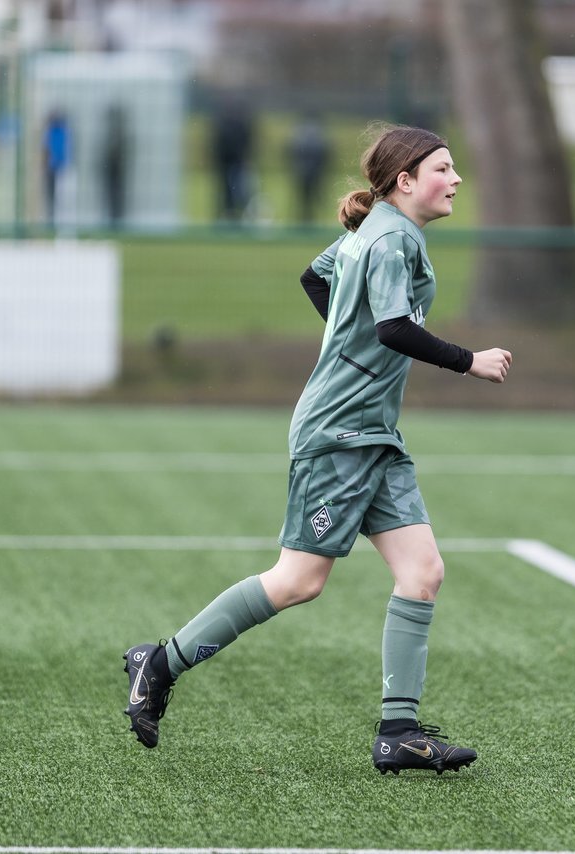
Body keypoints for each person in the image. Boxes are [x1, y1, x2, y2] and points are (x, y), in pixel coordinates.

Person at [123, 124, 513, 772]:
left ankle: (399, 731)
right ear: (405, 180)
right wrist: (467, 360)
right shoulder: (388, 238)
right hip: (339, 434)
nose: (457, 179)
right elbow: (390, 328)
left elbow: (315, 278)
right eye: (444, 168)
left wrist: (347, 345)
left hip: (373, 434)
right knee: (297, 581)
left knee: (423, 572)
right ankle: (159, 663)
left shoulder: (377, 231)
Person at [286, 110, 331, 224]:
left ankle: (305, 218)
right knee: (310, 196)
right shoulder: (318, 134)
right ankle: (308, 219)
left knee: (305, 196)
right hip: (312, 171)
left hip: (304, 170)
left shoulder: (301, 133)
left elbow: (293, 151)